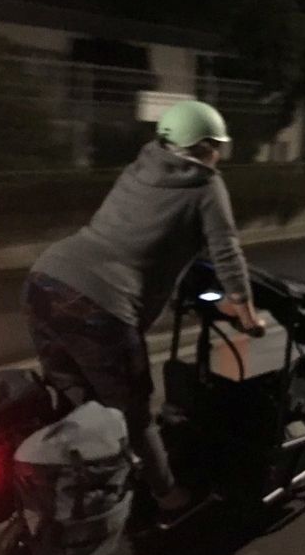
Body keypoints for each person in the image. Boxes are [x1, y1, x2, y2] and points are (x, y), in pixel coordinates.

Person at [23, 100, 264, 520]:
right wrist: (246, 312)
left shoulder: (139, 168)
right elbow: (226, 251)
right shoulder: (205, 187)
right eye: (217, 146)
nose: (220, 155)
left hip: (44, 282)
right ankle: (168, 496)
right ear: (204, 146)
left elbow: (135, 241)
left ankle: (61, 485)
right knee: (135, 414)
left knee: (73, 398)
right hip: (99, 308)